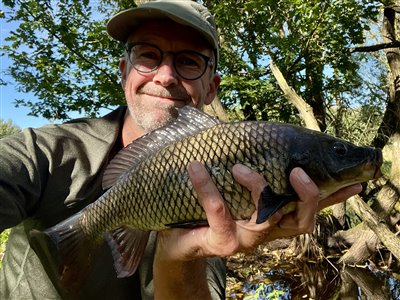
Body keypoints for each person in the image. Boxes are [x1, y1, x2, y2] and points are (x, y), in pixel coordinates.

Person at [0, 0, 362, 299]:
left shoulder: (226, 189)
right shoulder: (47, 150)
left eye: (189, 61)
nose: (166, 76)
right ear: (124, 71)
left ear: (211, 88)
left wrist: (180, 257)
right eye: (147, 56)